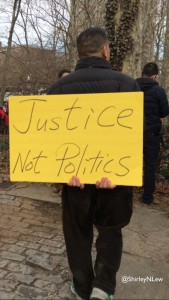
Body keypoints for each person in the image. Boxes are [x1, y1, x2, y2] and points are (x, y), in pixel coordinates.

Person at [48, 27, 140, 300]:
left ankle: (82, 285)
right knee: (110, 232)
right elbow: (137, 138)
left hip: (74, 181)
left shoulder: (57, 89)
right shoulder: (127, 85)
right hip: (115, 181)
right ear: (105, 50)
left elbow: (49, 141)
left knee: (77, 234)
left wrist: (62, 175)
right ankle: (103, 288)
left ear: (78, 54)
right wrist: (123, 172)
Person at [136, 62, 169, 205]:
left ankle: (125, 194)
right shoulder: (158, 91)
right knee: (149, 165)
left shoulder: (131, 86)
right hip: (151, 133)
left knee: (131, 162)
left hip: (132, 131)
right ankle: (147, 197)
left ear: (142, 73)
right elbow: (164, 113)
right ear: (154, 76)